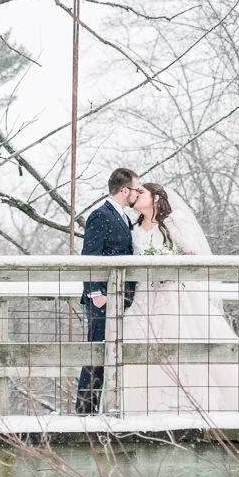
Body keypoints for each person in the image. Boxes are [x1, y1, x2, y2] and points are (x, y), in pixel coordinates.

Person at [120, 181, 239, 415]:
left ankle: (191, 405)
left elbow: (191, 254)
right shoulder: (134, 227)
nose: (136, 195)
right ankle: (146, 409)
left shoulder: (174, 221)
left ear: (156, 198)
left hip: (176, 292)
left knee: (182, 339)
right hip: (145, 296)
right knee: (140, 344)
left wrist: (168, 269)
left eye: (142, 192)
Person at [76, 167, 143, 414]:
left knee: (110, 352)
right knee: (97, 353)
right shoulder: (100, 215)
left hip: (120, 299)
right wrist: (96, 294)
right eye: (136, 189)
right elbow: (89, 256)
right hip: (102, 300)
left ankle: (103, 407)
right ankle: (85, 411)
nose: (138, 193)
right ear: (124, 190)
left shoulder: (125, 217)